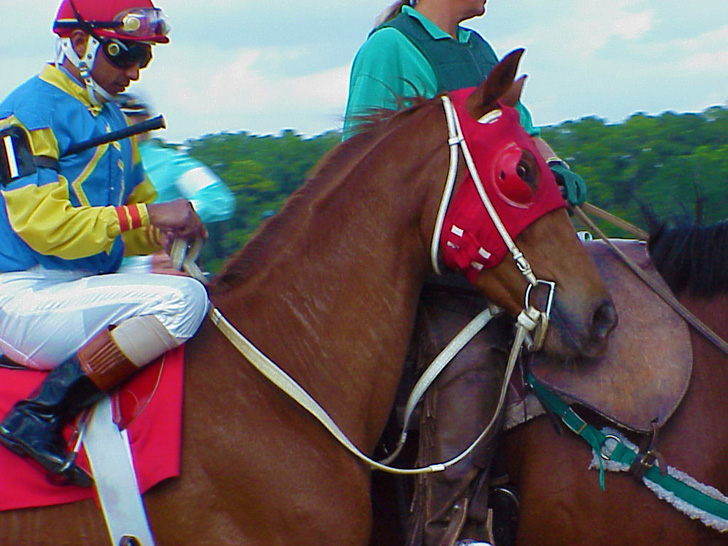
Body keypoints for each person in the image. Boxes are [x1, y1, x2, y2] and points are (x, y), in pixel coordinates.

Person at [343, 2, 587, 545]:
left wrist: (554, 172)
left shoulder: (477, 50)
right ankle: (454, 531)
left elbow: (521, 138)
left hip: (495, 259)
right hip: (433, 277)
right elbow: (365, 169)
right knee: (470, 368)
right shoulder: (391, 47)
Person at [0, 0, 208, 488]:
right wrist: (150, 214)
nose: (133, 72)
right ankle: (39, 415)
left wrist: (171, 229)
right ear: (79, 43)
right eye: (123, 54)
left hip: (84, 286)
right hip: (23, 297)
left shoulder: (113, 117)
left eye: (144, 59)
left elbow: (135, 223)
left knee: (214, 293)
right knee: (184, 301)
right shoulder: (25, 111)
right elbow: (45, 227)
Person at [116, 93, 235, 273]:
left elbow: (218, 198)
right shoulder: (81, 163)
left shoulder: (171, 162)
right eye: (127, 117)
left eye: (138, 118)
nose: (135, 125)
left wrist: (176, 214)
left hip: (152, 269)